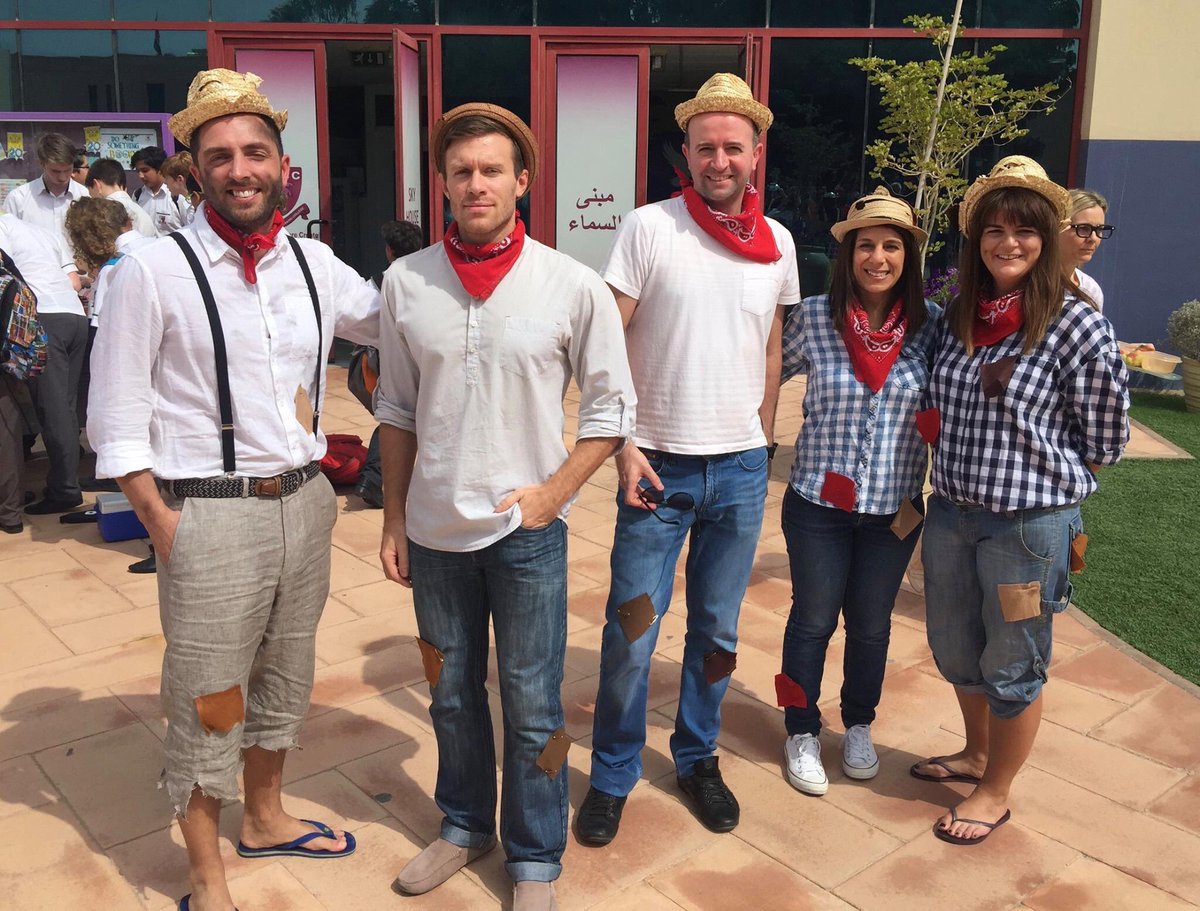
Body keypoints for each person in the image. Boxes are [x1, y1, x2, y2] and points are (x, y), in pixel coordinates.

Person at [87, 68, 380, 911]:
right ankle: (205, 876)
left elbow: (394, 320)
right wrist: (161, 521)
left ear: (284, 167)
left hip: (306, 499)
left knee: (286, 672)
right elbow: (114, 416)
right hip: (207, 511)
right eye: (220, 156)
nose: (240, 169)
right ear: (196, 168)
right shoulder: (151, 270)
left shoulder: (313, 263)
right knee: (209, 695)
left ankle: (266, 814)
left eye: (256, 152)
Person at [376, 103, 634, 911]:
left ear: (522, 181)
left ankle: (535, 854)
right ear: (442, 185)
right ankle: (463, 824)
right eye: (461, 171)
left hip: (527, 535)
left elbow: (611, 409)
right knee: (450, 693)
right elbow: (396, 411)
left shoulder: (570, 284)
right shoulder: (406, 281)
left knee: (532, 704)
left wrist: (553, 494)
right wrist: (393, 518)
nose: (476, 183)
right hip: (434, 532)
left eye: (492, 169)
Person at [577, 73, 799, 846]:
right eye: (706, 146)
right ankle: (613, 770)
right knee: (632, 629)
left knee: (717, 629)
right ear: (688, 152)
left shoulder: (779, 244)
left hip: (738, 470)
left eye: (733, 146)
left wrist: (762, 437)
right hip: (656, 470)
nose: (719, 159)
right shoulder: (650, 228)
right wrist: (621, 443)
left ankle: (698, 755)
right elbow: (605, 341)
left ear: (755, 153)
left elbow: (770, 348)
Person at [913, 156, 1128, 845]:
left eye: (1025, 230)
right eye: (994, 230)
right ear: (976, 240)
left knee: (1012, 659)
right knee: (955, 645)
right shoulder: (959, 318)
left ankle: (995, 789)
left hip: (1027, 531)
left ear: (1047, 238)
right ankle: (977, 754)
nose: (1008, 243)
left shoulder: (1075, 325)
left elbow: (1106, 438)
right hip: (952, 515)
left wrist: (1045, 484)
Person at [777, 187, 940, 795]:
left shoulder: (930, 328)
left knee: (871, 625)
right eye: (865, 245)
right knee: (812, 620)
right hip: (818, 504)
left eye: (891, 246)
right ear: (847, 254)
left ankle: (859, 723)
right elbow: (762, 374)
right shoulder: (814, 317)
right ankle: (800, 728)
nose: (878, 257)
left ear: (907, 257)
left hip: (896, 510)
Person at [0, 214, 82, 532]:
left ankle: (65, 490)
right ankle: (64, 482)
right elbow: (75, 281)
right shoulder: (44, 233)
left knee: (53, 409)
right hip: (74, 314)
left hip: (43, 317)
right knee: (66, 407)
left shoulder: (4, 228)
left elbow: (7, 275)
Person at [354, 218, 423, 509]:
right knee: (398, 416)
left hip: (385, 358)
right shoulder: (426, 281)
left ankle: (374, 478)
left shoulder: (378, 283)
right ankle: (372, 478)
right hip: (418, 357)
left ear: (389, 251)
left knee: (396, 414)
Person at [4, 132, 90, 258]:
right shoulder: (18, 198)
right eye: (55, 171)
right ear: (41, 164)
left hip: (77, 269)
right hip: (33, 268)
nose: (62, 177)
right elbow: (6, 242)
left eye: (68, 170)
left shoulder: (84, 195)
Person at [1061, 188, 1112, 311]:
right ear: (1059, 227)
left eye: (1099, 229)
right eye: (1083, 228)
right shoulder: (1026, 282)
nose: (1093, 238)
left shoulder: (1091, 290)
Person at [85, 157, 157, 238]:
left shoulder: (99, 216)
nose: (92, 199)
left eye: (91, 194)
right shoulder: (143, 215)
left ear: (97, 185)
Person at [132, 145, 183, 236]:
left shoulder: (177, 195)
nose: (141, 176)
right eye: (138, 171)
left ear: (160, 169)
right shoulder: (137, 195)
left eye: (145, 170)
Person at [162, 152, 197, 226]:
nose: (165, 182)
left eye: (167, 178)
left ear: (180, 179)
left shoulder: (203, 203)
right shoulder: (181, 200)